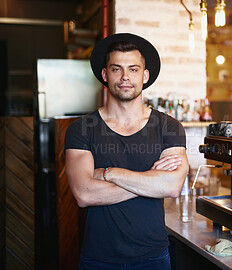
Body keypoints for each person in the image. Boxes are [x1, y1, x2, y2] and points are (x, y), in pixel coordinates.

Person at [64, 33, 189, 270]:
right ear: (104, 75)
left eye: (133, 69)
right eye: (116, 69)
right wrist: (150, 180)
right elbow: (84, 194)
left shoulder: (169, 127)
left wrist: (110, 173)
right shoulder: (81, 129)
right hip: (97, 258)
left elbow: (172, 187)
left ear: (145, 75)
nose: (125, 77)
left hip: (153, 257)